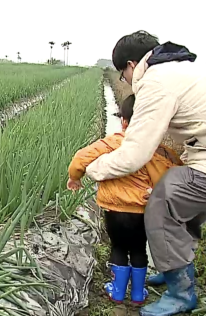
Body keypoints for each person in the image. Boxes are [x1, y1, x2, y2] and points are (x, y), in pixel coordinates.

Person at [85, 31, 206, 316]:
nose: (125, 81)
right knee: (181, 201)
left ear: (130, 65)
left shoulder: (156, 82)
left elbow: (134, 154)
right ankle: (173, 269)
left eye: (122, 74)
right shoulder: (176, 70)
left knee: (164, 202)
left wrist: (94, 169)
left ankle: (181, 293)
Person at [67, 94, 183, 305]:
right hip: (144, 213)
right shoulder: (157, 149)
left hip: (115, 211)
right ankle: (138, 294)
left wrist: (75, 177)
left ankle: (117, 291)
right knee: (139, 249)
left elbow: (80, 159)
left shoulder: (112, 142)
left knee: (118, 248)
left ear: (124, 121)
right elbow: (175, 171)